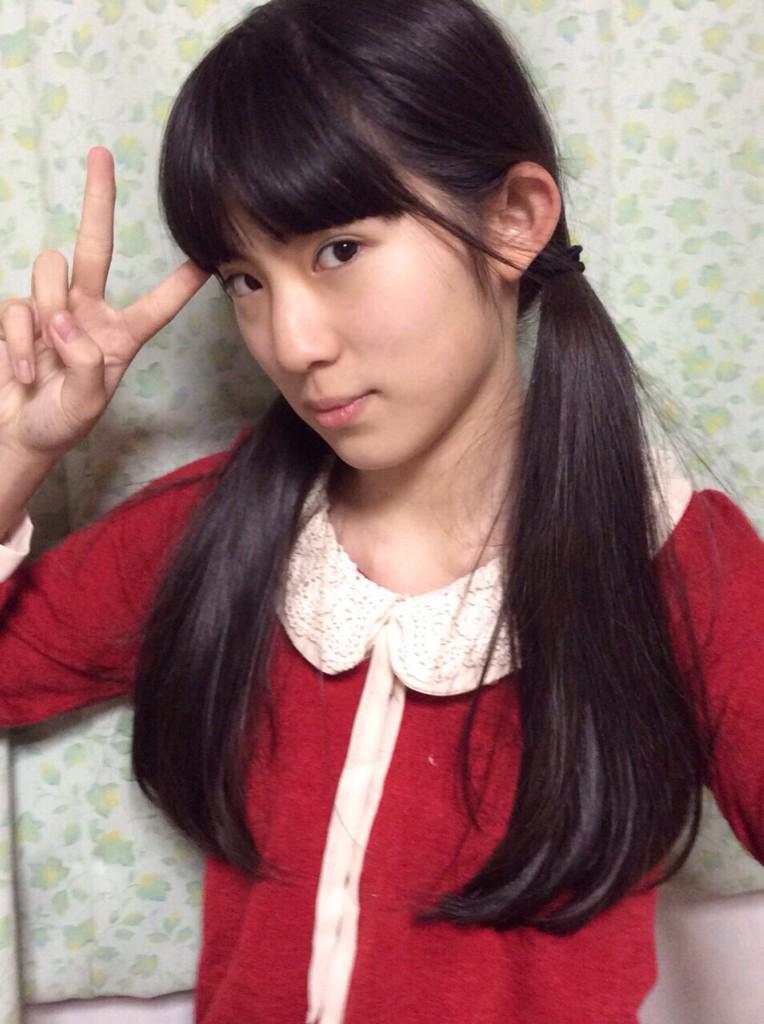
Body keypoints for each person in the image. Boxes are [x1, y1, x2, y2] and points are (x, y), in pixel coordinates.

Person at [0, 0, 761, 1021]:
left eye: (337, 250)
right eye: (244, 279)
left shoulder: (671, 556)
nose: (292, 343)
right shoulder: (220, 527)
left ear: (513, 218)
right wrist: (18, 452)